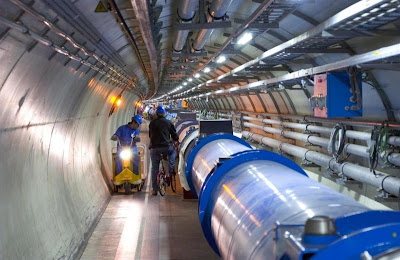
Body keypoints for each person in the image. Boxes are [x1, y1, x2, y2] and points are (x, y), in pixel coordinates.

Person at [149, 105, 179, 195]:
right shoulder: (168, 123)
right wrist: (176, 140)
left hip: (154, 148)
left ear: (156, 114)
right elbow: (175, 136)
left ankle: (154, 189)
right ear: (164, 114)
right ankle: (171, 168)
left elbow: (150, 135)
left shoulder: (152, 123)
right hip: (166, 147)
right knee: (172, 152)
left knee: (154, 168)